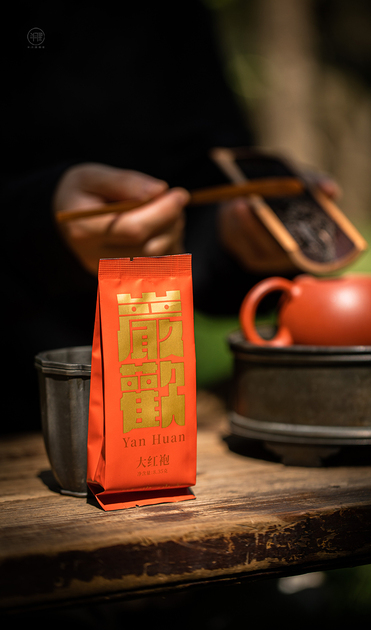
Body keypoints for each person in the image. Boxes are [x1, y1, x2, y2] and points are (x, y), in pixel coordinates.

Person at [3, 2, 337, 433]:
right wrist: (35, 223)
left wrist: (237, 238)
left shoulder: (173, 14)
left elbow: (204, 184)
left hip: (151, 398)